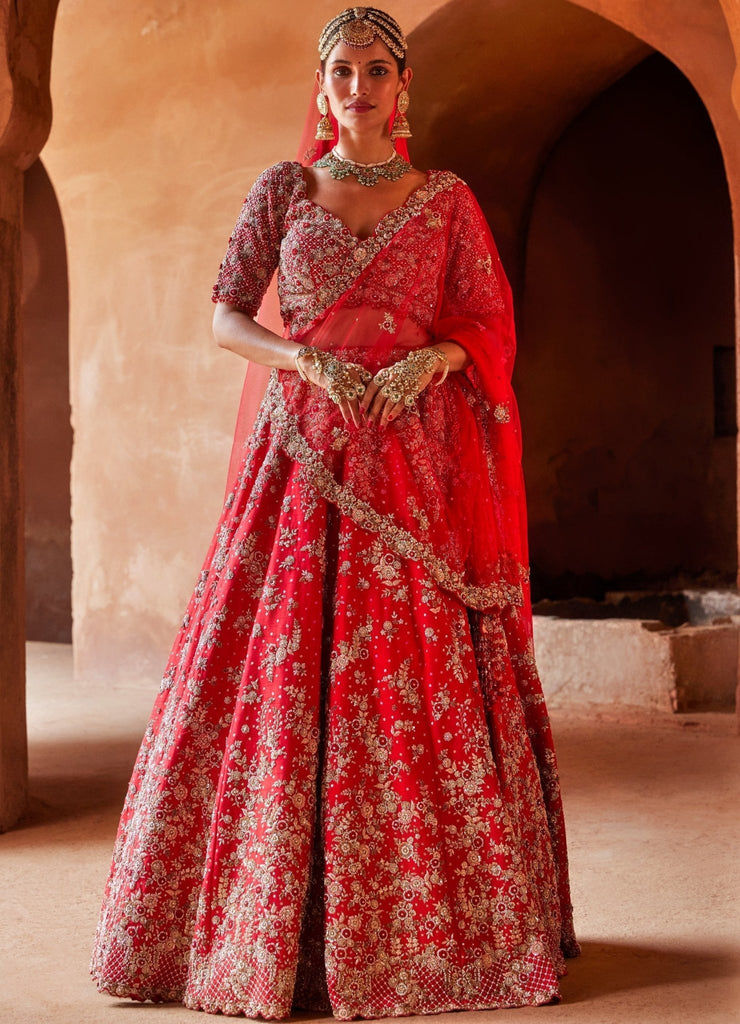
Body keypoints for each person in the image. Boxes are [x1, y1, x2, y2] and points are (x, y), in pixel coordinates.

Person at [90, 7, 579, 1020]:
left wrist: (430, 361)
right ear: (323, 89)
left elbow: (487, 320)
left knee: (413, 674)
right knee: (270, 666)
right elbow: (227, 311)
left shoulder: (444, 202)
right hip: (300, 452)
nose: (357, 85)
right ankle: (256, 933)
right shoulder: (284, 191)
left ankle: (433, 939)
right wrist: (297, 355)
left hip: (411, 456)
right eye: (341, 71)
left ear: (403, 91)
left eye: (374, 70)